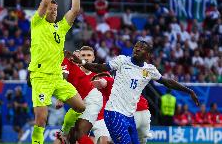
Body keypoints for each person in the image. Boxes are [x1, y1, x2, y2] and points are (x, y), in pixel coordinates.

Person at [65, 40, 200, 144]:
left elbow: (167, 82)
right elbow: (99, 67)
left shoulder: (149, 70)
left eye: (142, 48)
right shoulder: (122, 61)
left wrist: (189, 91)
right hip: (114, 113)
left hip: (130, 116)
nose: (137, 49)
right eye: (136, 46)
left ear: (147, 55)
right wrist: (81, 62)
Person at [28, 0, 85, 144]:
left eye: (55, 9)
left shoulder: (60, 28)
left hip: (57, 77)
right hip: (41, 77)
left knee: (80, 107)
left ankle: (63, 131)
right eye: (51, 9)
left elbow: (75, 10)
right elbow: (45, 3)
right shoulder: (37, 23)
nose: (53, 11)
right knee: (41, 119)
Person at [55, 46, 103, 144]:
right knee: (72, 135)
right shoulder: (51, 64)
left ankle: (64, 133)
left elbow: (64, 77)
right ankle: (64, 133)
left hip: (91, 98)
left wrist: (61, 98)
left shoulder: (63, 59)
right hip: (80, 101)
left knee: (80, 133)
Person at [92, 73, 152, 144]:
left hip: (132, 114)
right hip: (145, 113)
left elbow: (102, 82)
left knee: (110, 140)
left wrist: (88, 83)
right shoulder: (123, 82)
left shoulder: (108, 80)